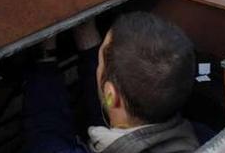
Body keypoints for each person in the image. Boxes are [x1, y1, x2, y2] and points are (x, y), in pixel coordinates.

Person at [23, 12, 200, 153]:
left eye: (99, 62)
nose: (97, 65)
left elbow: (46, 132)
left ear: (110, 95)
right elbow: (114, 108)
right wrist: (88, 39)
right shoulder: (204, 136)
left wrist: (45, 58)